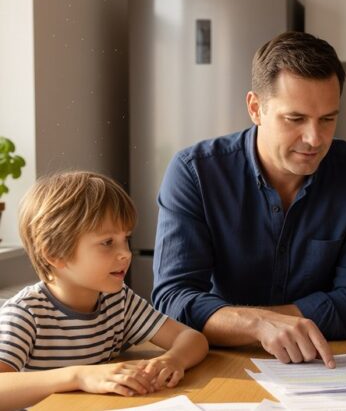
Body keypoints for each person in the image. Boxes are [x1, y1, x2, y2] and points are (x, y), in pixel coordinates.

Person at [152, 31, 346, 368]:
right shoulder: (195, 172)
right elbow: (172, 300)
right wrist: (259, 325)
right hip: (223, 364)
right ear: (255, 108)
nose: (314, 139)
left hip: (329, 364)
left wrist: (242, 322)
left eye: (328, 119)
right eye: (295, 119)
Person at [0, 171, 208, 411]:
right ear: (55, 253)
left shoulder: (119, 301)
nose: (126, 253)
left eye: (126, 239)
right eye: (107, 242)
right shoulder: (25, 314)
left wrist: (173, 360)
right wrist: (79, 376)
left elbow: (191, 338)